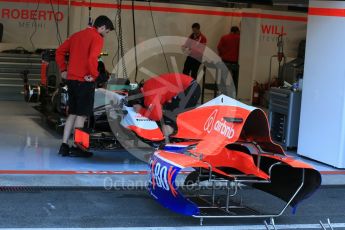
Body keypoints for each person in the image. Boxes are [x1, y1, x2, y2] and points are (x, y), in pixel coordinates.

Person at [56, 15, 114, 157]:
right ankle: (78, 147)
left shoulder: (76, 35)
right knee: (81, 115)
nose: (106, 35)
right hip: (85, 82)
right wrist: (95, 75)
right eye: (107, 32)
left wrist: (63, 70)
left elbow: (59, 51)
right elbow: (92, 58)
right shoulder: (97, 38)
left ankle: (64, 146)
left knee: (72, 113)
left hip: (71, 80)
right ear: (102, 27)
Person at [130, 73, 201, 137]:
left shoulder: (149, 93)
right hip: (191, 87)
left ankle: (175, 135)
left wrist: (141, 110)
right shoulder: (148, 86)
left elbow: (157, 115)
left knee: (166, 123)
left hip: (189, 89)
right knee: (166, 110)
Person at [217, 26, 240, 96]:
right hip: (234, 62)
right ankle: (234, 92)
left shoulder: (224, 37)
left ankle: (222, 92)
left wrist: (222, 54)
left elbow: (219, 47)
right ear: (236, 32)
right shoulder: (239, 38)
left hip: (225, 60)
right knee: (235, 78)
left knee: (223, 77)